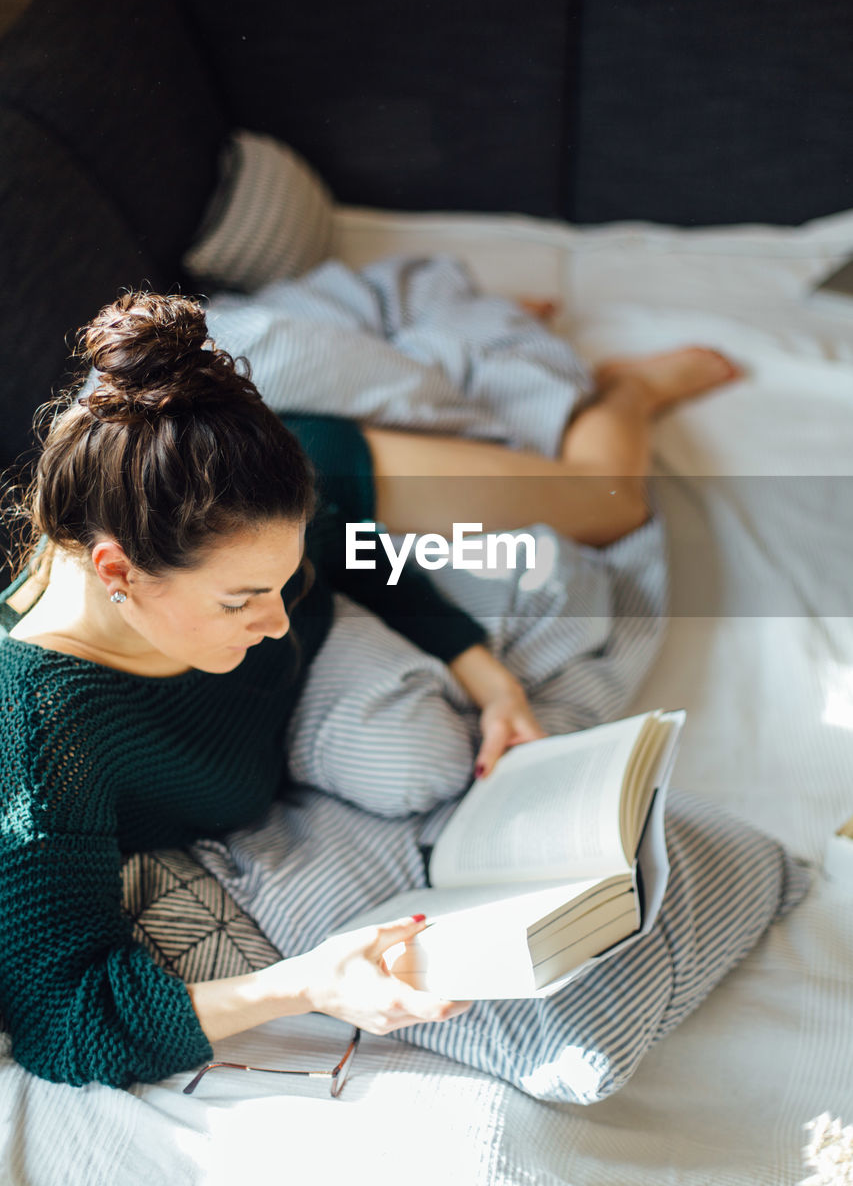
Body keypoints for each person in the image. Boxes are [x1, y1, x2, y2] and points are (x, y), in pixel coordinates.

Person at [0, 292, 806, 1100]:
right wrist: (307, 985)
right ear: (115, 575)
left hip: (308, 466)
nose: (277, 621)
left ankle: (621, 390)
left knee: (609, 500)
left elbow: (351, 549)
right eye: (244, 601)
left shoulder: (250, 533)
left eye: (283, 586)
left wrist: (483, 674)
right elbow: (64, 1021)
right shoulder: (42, 736)